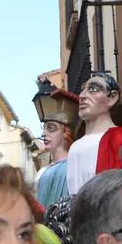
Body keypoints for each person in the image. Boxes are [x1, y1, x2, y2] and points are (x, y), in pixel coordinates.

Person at [66, 71, 122, 195]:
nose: (82, 96)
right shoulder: (74, 147)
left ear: (112, 98)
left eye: (93, 89)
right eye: (83, 90)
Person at [32, 78, 79, 209]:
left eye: (51, 129)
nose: (44, 135)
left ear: (66, 132)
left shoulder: (75, 165)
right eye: (45, 129)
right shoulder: (42, 171)